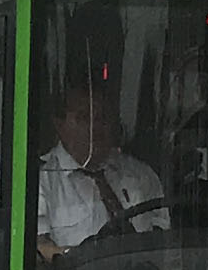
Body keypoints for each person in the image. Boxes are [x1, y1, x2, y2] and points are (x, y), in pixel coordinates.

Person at [36, 76, 167, 258]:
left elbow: (164, 239)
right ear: (60, 125)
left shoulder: (140, 174)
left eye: (102, 118)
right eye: (84, 118)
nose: (95, 127)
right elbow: (39, 249)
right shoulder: (41, 182)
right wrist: (82, 259)